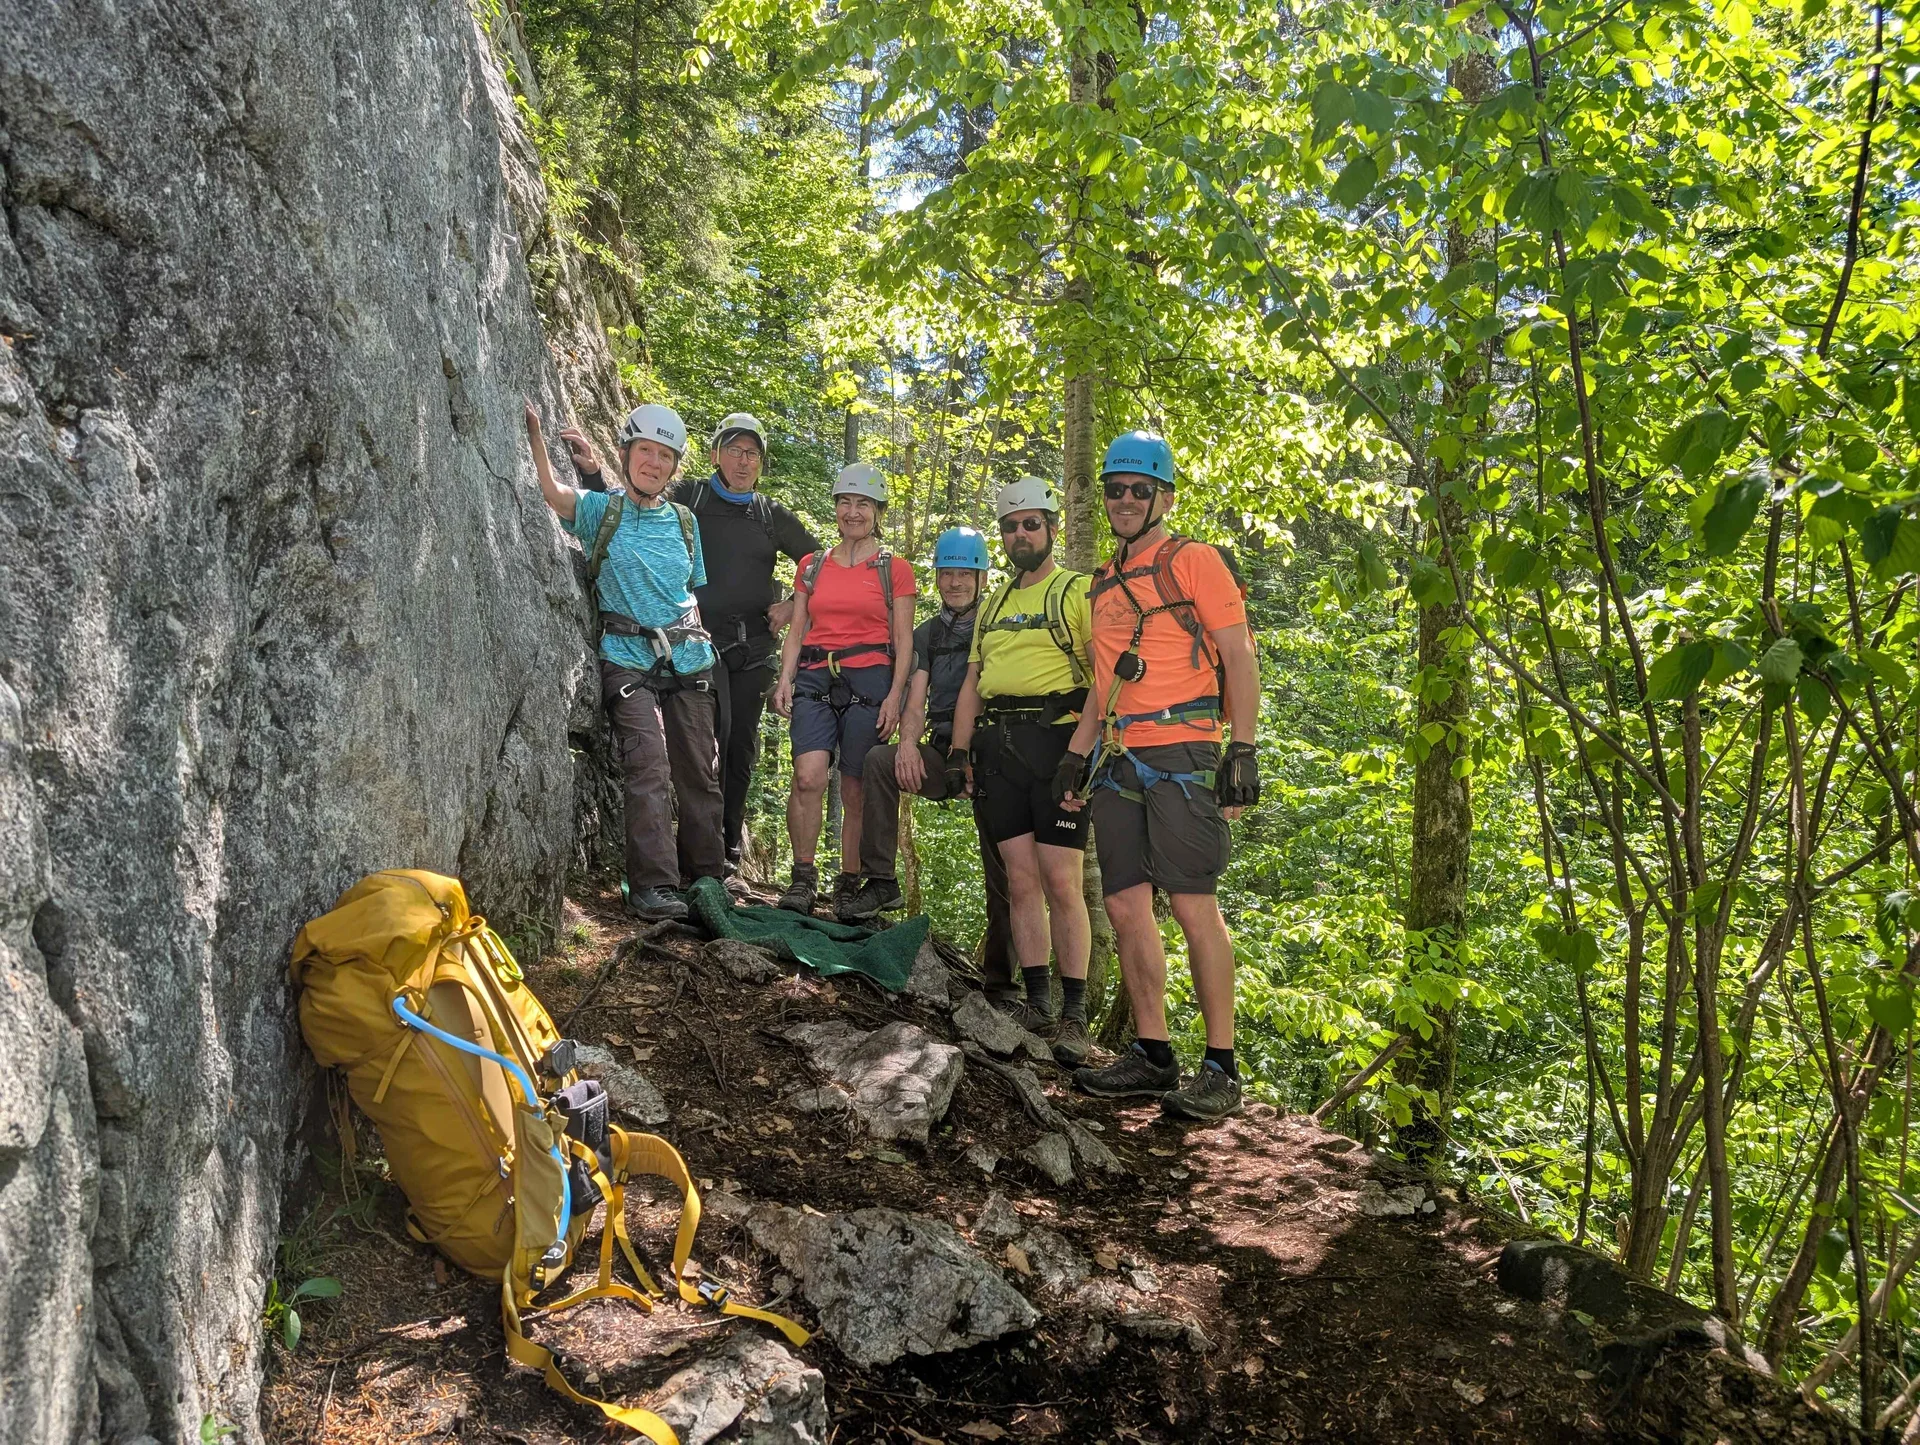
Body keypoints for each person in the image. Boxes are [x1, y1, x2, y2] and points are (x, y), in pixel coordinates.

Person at [1055, 431, 1261, 1122]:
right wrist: (1077, 754)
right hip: (1119, 756)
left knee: (1193, 903)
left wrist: (1244, 750)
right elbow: (1104, 683)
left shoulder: (1194, 560)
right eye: (1114, 489)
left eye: (1138, 489)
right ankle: (1152, 1051)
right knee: (1122, 905)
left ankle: (1222, 1066)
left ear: (1163, 496)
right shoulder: (1101, 583)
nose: (1123, 500)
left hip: (1185, 752)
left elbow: (1237, 654)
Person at [524, 400, 727, 921]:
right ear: (626, 453)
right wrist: (534, 436)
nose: (653, 463)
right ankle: (653, 887)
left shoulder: (685, 521)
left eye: (664, 456)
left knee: (700, 772)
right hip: (627, 658)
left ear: (674, 467)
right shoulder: (602, 510)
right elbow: (552, 494)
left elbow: (687, 589)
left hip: (689, 658)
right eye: (645, 451)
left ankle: (706, 878)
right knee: (649, 767)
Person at [948, 478, 1097, 1066]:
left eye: (1030, 524)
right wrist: (959, 752)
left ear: (1051, 529)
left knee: (1062, 881)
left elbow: (1103, 676)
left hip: (1058, 745)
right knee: (1019, 881)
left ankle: (1074, 1013)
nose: (1019, 535)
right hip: (999, 750)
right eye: (1010, 527)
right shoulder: (995, 603)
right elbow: (971, 683)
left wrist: (1080, 757)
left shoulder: (1075, 592)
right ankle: (1036, 1003)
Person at [843, 530, 1020, 997]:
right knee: (879, 760)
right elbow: (916, 698)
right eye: (948, 574)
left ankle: (1003, 979)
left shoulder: (998, 623)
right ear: (937, 577)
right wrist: (906, 744)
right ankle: (881, 880)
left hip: (991, 747)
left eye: (964, 574)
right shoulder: (927, 633)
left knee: (1003, 858)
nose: (955, 583)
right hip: (941, 747)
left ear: (980, 577)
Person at [663, 414, 823, 882]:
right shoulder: (689, 497)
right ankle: (699, 852)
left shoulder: (771, 515)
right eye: (734, 450)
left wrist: (795, 604)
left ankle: (728, 849)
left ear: (761, 463)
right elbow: (639, 509)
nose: (742, 460)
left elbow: (821, 562)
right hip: (696, 645)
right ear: (715, 454)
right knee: (708, 743)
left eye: (751, 453)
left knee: (740, 748)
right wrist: (593, 475)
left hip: (752, 650)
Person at [770, 463, 916, 917]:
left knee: (855, 789)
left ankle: (849, 884)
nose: (853, 512)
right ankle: (803, 878)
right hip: (814, 676)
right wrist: (784, 677)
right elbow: (797, 630)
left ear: (877, 512)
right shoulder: (812, 567)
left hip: (870, 680)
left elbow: (905, 642)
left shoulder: (895, 570)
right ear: (836, 508)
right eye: (846, 503)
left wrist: (895, 696)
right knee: (808, 777)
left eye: (863, 505)